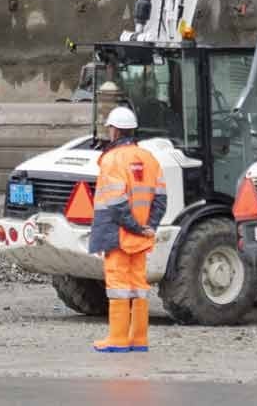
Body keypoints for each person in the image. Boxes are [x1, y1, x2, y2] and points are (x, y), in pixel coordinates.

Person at [86, 104, 166, 353]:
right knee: (138, 286)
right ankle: (138, 339)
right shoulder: (150, 159)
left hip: (118, 234)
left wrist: (133, 227)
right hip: (141, 235)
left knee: (119, 287)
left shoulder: (112, 160)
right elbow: (161, 199)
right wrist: (147, 227)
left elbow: (115, 202)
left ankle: (118, 340)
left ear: (115, 131)